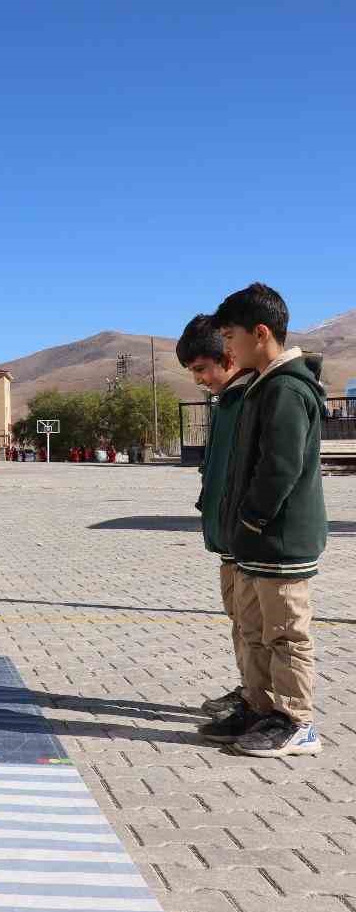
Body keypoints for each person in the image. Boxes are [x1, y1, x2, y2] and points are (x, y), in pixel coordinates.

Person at [204, 283, 326, 757]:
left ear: (259, 333)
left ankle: (297, 721)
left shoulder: (288, 389)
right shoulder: (260, 385)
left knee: (285, 634)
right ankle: (260, 707)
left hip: (279, 541)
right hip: (253, 543)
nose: (227, 348)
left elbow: (281, 466)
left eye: (230, 336)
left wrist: (252, 520)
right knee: (254, 631)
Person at [177, 314, 255, 729]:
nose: (200, 380)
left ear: (229, 355)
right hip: (228, 539)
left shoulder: (254, 399)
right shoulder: (226, 402)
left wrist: (251, 524)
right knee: (241, 624)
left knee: (267, 632)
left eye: (202, 369)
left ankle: (273, 708)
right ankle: (249, 692)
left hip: (250, 539)